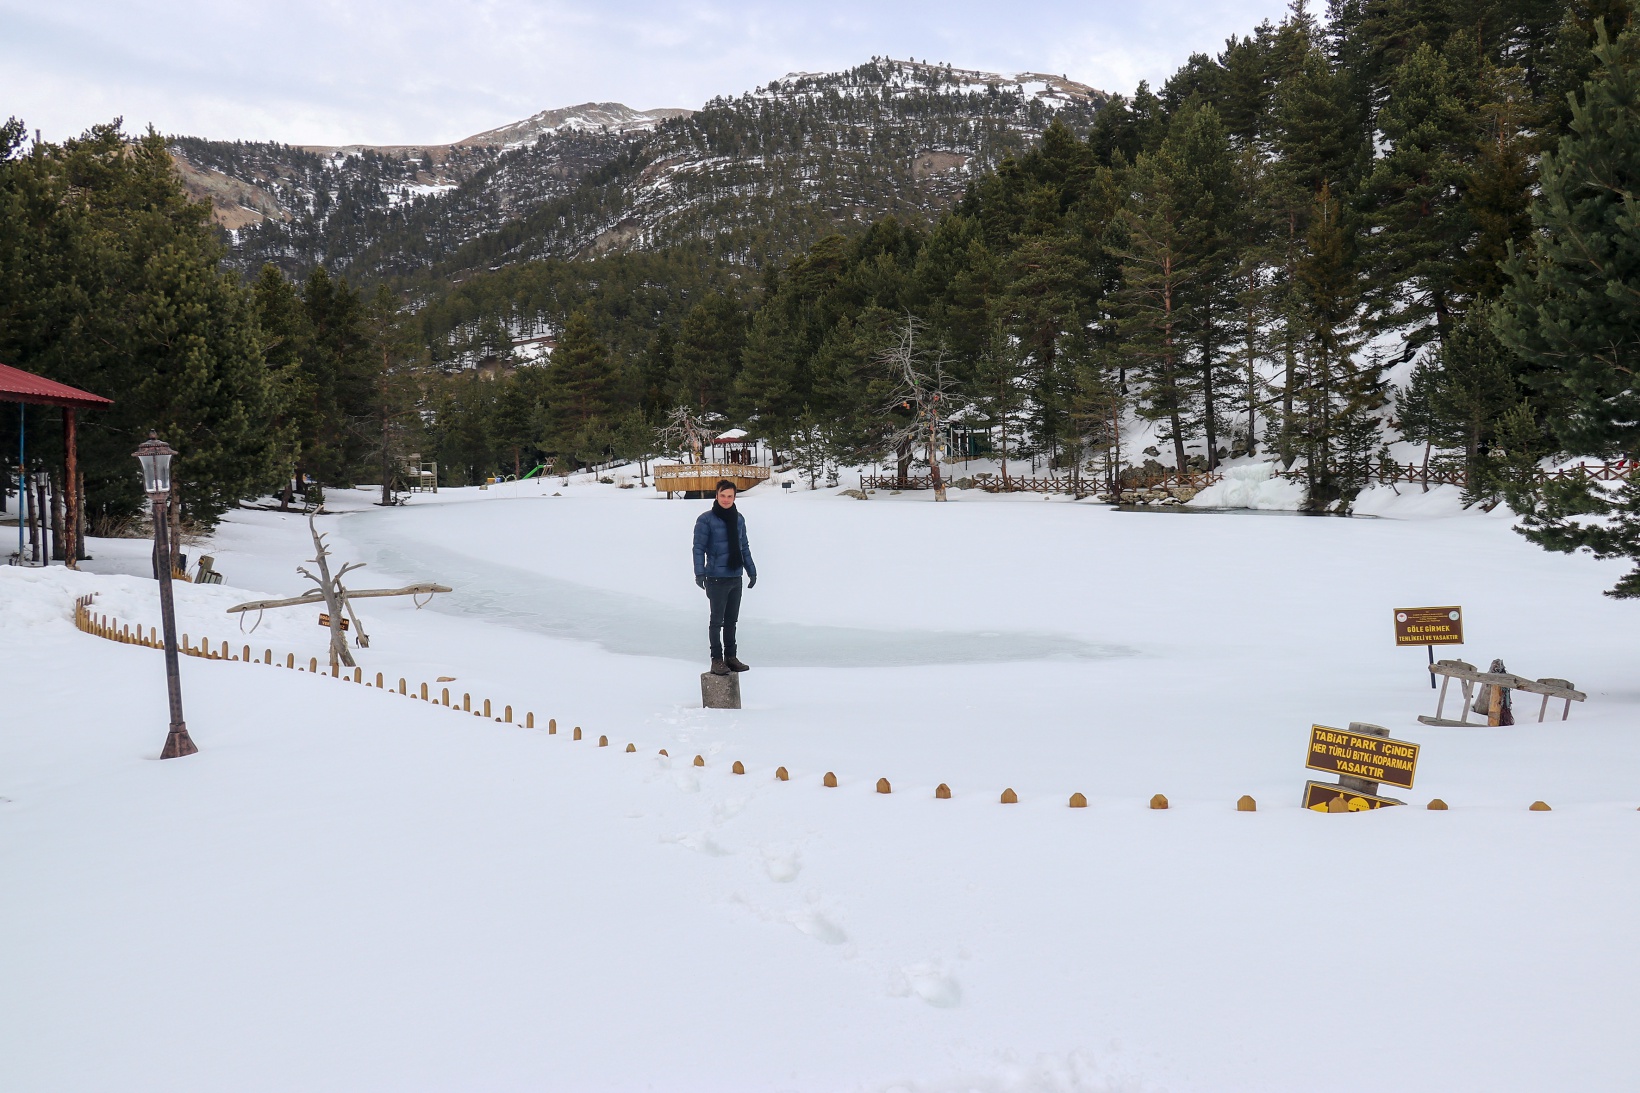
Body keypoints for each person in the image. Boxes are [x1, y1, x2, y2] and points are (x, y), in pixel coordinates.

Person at [692, 479, 756, 675]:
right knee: (716, 621)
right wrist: (700, 572)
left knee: (731, 620)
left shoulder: (739, 519)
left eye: (730, 496)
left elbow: (744, 546)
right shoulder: (706, 519)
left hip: (735, 576)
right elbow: (698, 548)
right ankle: (716, 659)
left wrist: (751, 570)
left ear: (735, 497)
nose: (726, 499)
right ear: (716, 495)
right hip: (716, 578)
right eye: (723, 495)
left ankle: (731, 657)